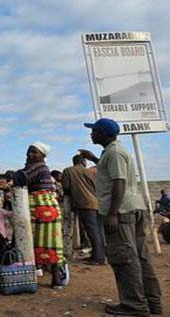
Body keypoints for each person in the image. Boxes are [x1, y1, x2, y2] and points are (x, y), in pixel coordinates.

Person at [79, 118, 162, 316]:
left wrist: (112, 214)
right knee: (141, 257)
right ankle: (152, 302)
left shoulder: (114, 153)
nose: (91, 134)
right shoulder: (115, 152)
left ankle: (134, 305)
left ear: (104, 134)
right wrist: (95, 160)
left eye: (94, 131)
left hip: (122, 212)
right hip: (134, 207)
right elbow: (111, 174)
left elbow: (119, 183)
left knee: (125, 259)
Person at [13, 142, 68, 289]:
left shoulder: (38, 167)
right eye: (28, 152)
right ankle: (55, 279)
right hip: (45, 208)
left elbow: (19, 178)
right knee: (51, 243)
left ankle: (39, 276)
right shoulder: (40, 167)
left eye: (33, 152)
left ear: (43, 156)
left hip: (40, 208)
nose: (29, 154)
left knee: (32, 241)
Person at [61, 154, 104, 265]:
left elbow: (65, 187)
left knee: (92, 231)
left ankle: (98, 258)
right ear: (84, 162)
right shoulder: (90, 172)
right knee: (98, 231)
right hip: (97, 202)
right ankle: (99, 255)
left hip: (84, 204)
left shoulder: (68, 171)